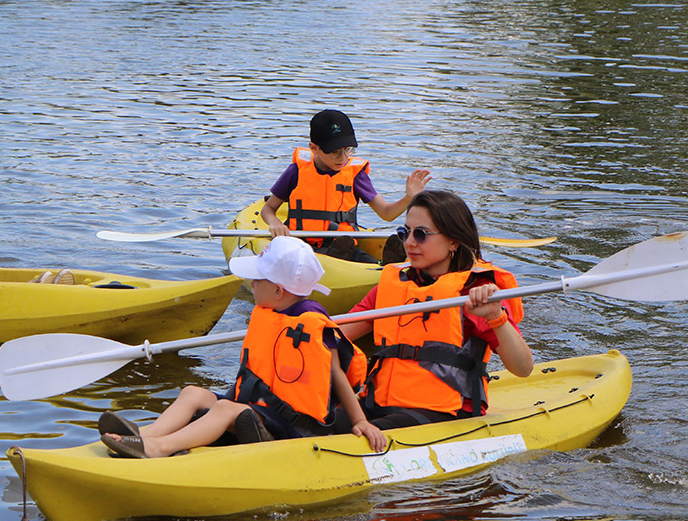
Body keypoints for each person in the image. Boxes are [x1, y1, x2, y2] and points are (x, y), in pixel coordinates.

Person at [99, 236, 387, 458]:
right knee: (193, 392)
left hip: (295, 425)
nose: (251, 282)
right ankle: (144, 435)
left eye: (258, 279)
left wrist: (360, 421)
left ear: (278, 290)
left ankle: (158, 448)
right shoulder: (272, 312)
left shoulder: (313, 324)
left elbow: (337, 375)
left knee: (225, 408)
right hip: (261, 409)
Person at [340, 190, 534, 428]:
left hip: (442, 414)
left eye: (421, 234)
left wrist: (496, 317)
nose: (409, 243)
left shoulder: (474, 291)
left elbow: (523, 368)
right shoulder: (394, 284)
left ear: (453, 241)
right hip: (377, 404)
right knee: (307, 420)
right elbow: (336, 333)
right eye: (405, 232)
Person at [259, 109, 433, 263]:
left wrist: (409, 198)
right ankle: (339, 260)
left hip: (342, 244)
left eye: (347, 149)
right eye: (334, 152)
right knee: (330, 254)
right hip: (300, 244)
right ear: (314, 148)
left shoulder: (355, 175)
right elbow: (268, 210)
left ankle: (386, 266)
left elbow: (386, 214)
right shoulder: (296, 171)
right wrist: (274, 223)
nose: (343, 158)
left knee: (367, 261)